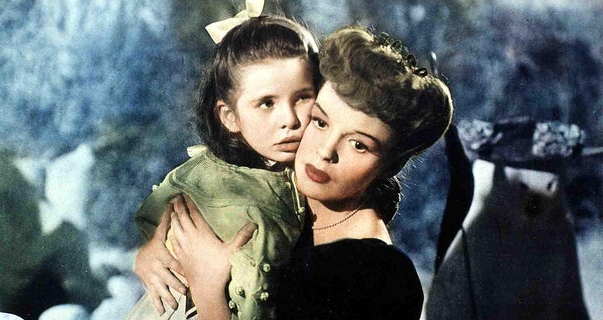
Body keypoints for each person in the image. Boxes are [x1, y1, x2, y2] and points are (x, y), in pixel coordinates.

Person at [168, 26, 454, 320]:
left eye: (358, 144)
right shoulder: (271, 196)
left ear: (390, 164)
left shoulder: (382, 277)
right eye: (319, 122)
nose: (325, 151)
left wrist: (208, 294)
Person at [125, 13, 320, 320]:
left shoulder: (304, 176)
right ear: (229, 117)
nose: (289, 120)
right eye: (267, 103)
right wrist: (151, 250)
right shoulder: (216, 180)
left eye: (302, 98)